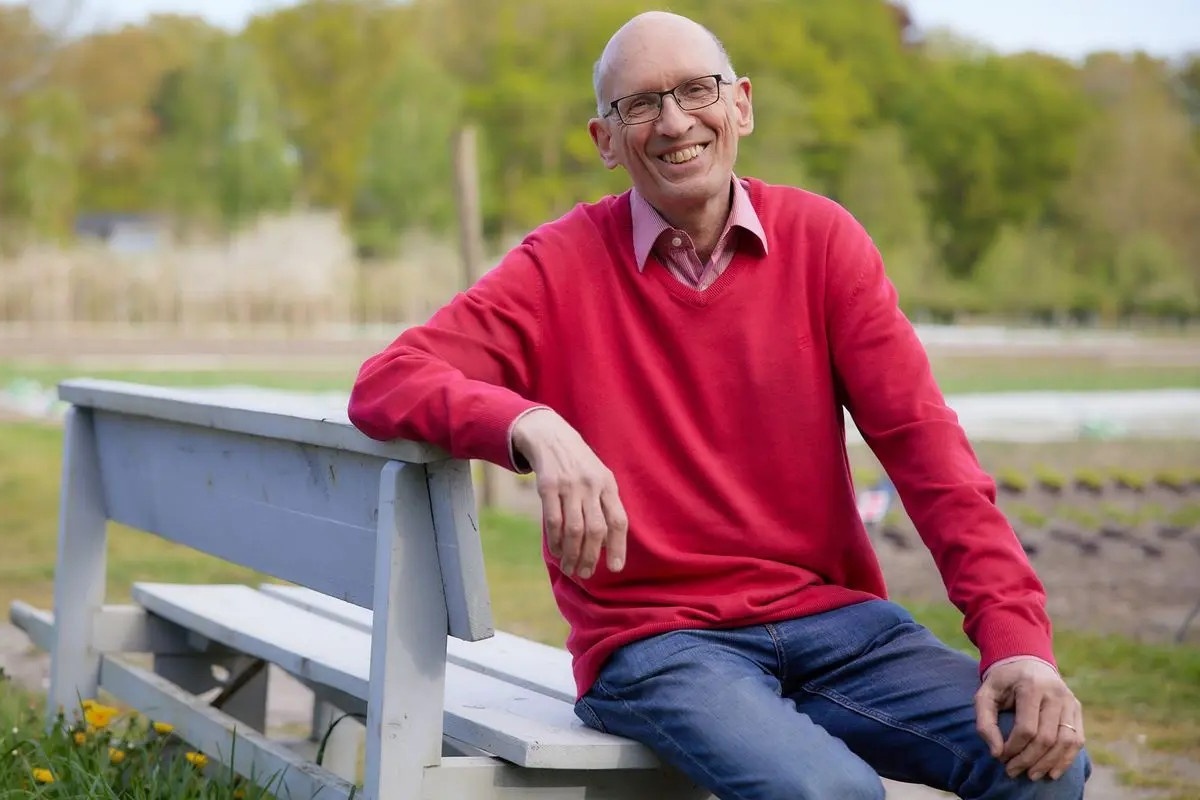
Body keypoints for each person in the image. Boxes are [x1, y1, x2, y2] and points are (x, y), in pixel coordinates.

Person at [347, 10, 1090, 800]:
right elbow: (388, 379)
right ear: (604, 140)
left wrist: (1018, 642)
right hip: (660, 644)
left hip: (838, 628)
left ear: (740, 104)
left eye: (695, 91)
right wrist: (529, 423)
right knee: (829, 794)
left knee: (1043, 762)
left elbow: (927, 453)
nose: (673, 122)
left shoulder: (825, 242)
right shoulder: (557, 265)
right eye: (639, 105)